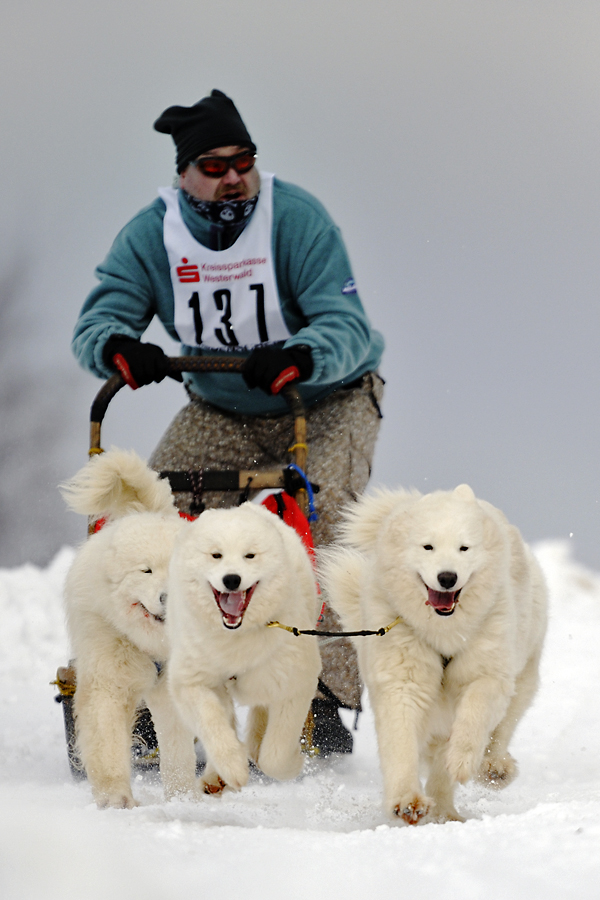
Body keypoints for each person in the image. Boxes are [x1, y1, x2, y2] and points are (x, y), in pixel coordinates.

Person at [72, 89, 385, 755]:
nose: (232, 176)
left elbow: (346, 323)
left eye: (242, 161)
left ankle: (321, 701)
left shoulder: (295, 219)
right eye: (213, 166)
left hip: (325, 401)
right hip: (221, 407)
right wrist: (118, 347)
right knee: (150, 518)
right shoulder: (151, 234)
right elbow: (100, 320)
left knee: (318, 522)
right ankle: (153, 687)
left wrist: (305, 353)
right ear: (185, 174)